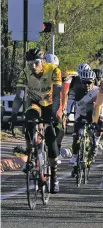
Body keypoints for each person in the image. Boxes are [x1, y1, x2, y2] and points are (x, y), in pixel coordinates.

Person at [10, 48, 62, 194]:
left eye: (36, 63)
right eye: (29, 63)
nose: (33, 66)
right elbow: (20, 96)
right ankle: (31, 154)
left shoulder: (53, 70)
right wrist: (14, 114)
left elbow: (58, 94)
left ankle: (54, 175)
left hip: (50, 103)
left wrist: (54, 112)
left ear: (43, 61)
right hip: (33, 102)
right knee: (29, 123)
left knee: (51, 137)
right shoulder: (25, 72)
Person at [68, 69, 99, 176]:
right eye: (84, 82)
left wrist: (100, 117)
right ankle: (75, 159)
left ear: (94, 82)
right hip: (80, 115)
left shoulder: (97, 91)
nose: (87, 85)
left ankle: (93, 147)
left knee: (93, 136)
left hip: (92, 115)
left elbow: (101, 106)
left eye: (89, 82)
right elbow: (69, 103)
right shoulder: (75, 90)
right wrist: (67, 114)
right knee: (76, 137)